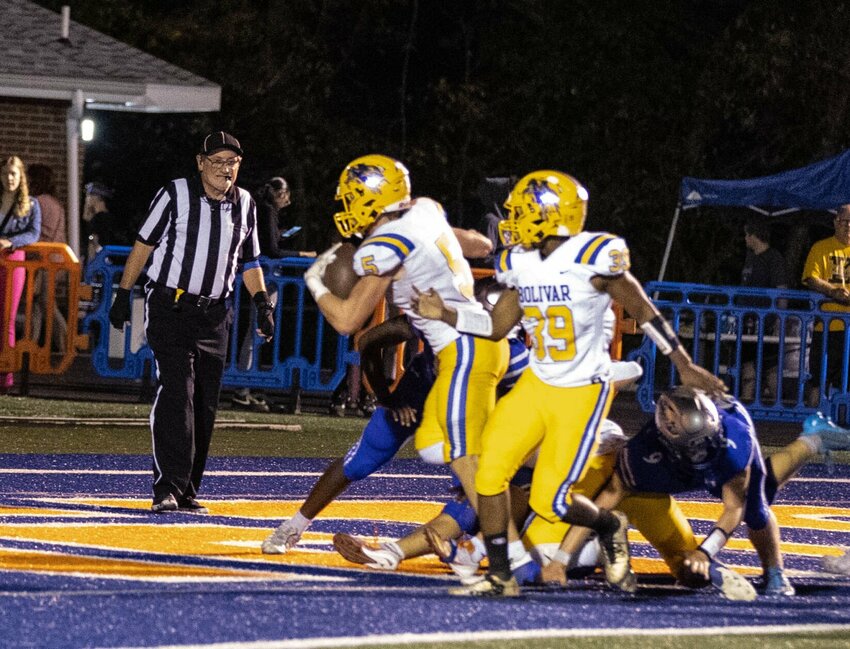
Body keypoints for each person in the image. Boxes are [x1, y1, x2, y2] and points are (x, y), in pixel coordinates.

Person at [413, 169, 726, 597]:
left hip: (580, 392)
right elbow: (496, 325)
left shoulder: (595, 255)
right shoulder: (520, 262)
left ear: (549, 214)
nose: (514, 220)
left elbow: (643, 306)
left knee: (550, 501)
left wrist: (683, 363)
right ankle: (501, 575)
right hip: (538, 384)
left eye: (522, 211)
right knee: (489, 473)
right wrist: (446, 315)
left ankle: (608, 522)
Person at [302, 154, 507, 533]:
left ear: (372, 197)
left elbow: (347, 321)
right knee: (465, 454)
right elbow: (479, 245)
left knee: (465, 458)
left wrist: (314, 282)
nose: (345, 207)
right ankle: (490, 544)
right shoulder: (426, 210)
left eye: (351, 197)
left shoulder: (385, 245)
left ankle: (503, 550)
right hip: (470, 343)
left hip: (465, 352)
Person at [107, 131, 275, 513]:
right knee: (177, 392)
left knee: (204, 403)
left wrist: (263, 303)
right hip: (172, 305)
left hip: (216, 311)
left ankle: (186, 489)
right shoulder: (175, 194)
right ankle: (166, 486)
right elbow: (144, 244)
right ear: (200, 163)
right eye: (216, 161)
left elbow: (249, 261)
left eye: (231, 162)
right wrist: (123, 292)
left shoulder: (246, 203)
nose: (224, 169)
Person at [556, 387, 850, 598]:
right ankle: (813, 439)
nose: (702, 452)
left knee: (755, 508)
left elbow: (733, 509)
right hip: (660, 467)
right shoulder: (643, 455)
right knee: (695, 569)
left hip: (730, 421)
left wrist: (704, 552)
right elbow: (609, 497)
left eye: (704, 442)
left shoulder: (732, 441)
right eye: (693, 446)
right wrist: (559, 559)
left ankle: (775, 571)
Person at [232, 176, 314, 413]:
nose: (288, 198)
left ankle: (250, 386)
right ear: (279, 193)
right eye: (286, 193)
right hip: (265, 276)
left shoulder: (266, 211)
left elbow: (270, 241)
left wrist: (281, 235)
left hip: (267, 275)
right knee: (258, 329)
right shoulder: (267, 210)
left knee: (259, 331)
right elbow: (271, 249)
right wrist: (302, 254)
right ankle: (243, 387)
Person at [0, 155, 41, 392]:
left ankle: (6, 376)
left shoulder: (31, 204)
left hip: (13, 260)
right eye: (5, 173)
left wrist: (10, 242)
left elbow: (33, 234)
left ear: (21, 176)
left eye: (14, 173)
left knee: (8, 317)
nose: (9, 178)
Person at [802, 205, 850, 406]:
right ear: (835, 222)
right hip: (828, 327)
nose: (848, 227)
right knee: (819, 379)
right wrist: (833, 292)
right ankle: (812, 426)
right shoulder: (820, 247)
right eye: (844, 222)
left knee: (846, 383)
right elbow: (811, 278)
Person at [738, 219, 789, 401]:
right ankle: (746, 402)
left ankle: (778, 406)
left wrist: (779, 320)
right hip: (747, 321)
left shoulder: (773, 258)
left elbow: (781, 289)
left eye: (747, 234)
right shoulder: (750, 257)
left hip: (767, 321)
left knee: (770, 366)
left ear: (754, 236)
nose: (745, 239)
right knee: (747, 363)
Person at [27, 163, 68, 354]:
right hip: (56, 260)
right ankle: (30, 344)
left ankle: (65, 344)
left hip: (45, 261)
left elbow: (38, 234)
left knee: (45, 303)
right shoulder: (54, 202)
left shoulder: (39, 202)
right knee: (36, 302)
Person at [83, 181, 130, 263]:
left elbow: (94, 241)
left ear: (97, 198)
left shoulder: (100, 219)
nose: (87, 199)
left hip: (101, 261)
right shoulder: (110, 218)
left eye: (89, 196)